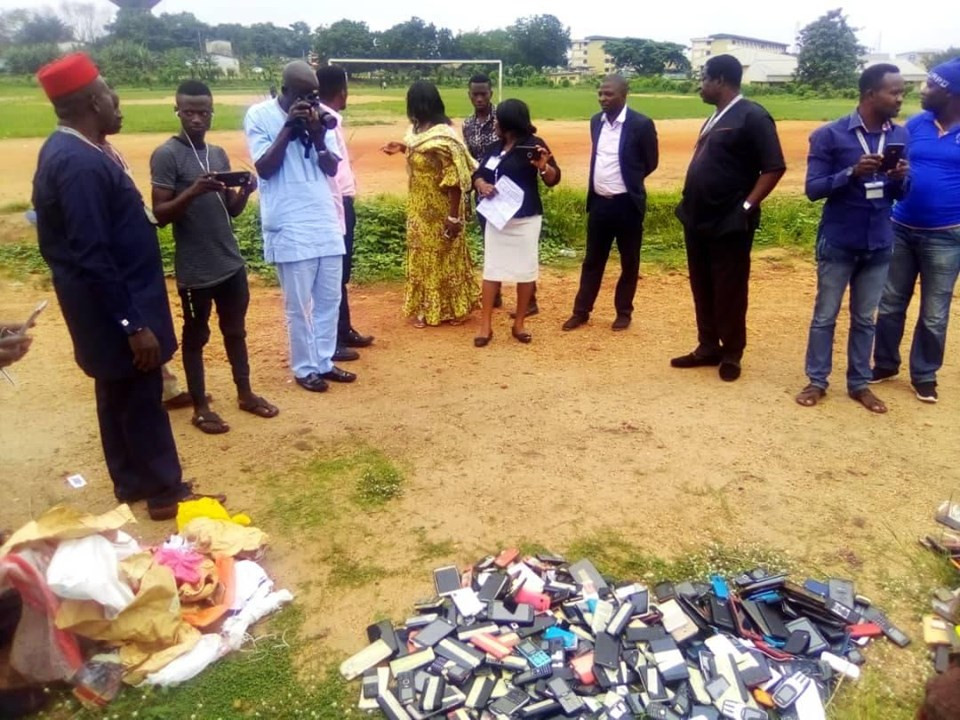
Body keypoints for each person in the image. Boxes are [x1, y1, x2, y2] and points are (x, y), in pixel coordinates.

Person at [32, 53, 221, 521]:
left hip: (108, 303)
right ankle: (163, 490)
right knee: (140, 394)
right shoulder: (77, 164)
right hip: (117, 306)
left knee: (116, 393)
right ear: (93, 102)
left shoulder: (83, 150)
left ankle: (131, 479)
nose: (119, 104)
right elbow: (91, 253)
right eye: (109, 94)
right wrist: (132, 322)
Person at [151, 80, 278, 433]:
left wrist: (245, 192)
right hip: (195, 269)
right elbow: (159, 214)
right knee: (196, 336)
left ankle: (245, 393)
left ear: (211, 113)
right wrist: (193, 191)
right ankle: (201, 406)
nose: (196, 119)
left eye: (202, 112)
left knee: (235, 331)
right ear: (177, 111)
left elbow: (230, 211)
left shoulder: (218, 154)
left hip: (230, 263)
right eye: (188, 112)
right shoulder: (167, 155)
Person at [796, 65, 910, 413]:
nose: (900, 98)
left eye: (902, 91)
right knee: (825, 316)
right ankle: (817, 380)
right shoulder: (829, 136)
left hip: (878, 242)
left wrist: (901, 178)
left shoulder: (900, 137)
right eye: (894, 92)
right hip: (839, 240)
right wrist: (851, 173)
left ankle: (859, 384)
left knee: (865, 319)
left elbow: (900, 195)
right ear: (870, 94)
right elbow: (813, 189)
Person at [672, 55, 786, 381]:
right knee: (702, 284)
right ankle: (708, 346)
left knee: (729, 288)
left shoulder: (752, 116)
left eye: (704, 78)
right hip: (697, 218)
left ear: (720, 80)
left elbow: (774, 167)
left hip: (730, 220)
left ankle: (732, 352)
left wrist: (746, 207)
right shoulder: (715, 117)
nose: (700, 84)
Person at [244, 60, 355, 393]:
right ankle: (304, 367)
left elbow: (332, 168)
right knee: (298, 305)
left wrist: (319, 137)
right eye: (305, 95)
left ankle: (323, 360)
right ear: (287, 91)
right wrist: (289, 129)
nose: (312, 101)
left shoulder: (322, 119)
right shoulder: (259, 116)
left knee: (329, 298)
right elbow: (264, 168)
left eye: (315, 94)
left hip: (324, 219)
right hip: (290, 223)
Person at [871, 58, 960, 404]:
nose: (922, 90)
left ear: (950, 92)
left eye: (931, 85)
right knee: (891, 302)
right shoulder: (916, 124)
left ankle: (924, 374)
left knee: (935, 311)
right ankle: (885, 363)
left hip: (948, 235)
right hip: (902, 228)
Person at [563, 75, 659, 333]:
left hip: (627, 205)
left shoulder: (641, 124)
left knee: (629, 261)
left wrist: (629, 181)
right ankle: (581, 312)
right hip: (599, 205)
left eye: (609, 94)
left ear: (624, 95)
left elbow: (651, 162)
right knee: (592, 261)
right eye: (600, 94)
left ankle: (623, 312)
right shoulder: (596, 122)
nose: (603, 99)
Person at [381, 81, 479, 327]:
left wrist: (453, 217)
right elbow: (423, 158)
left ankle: (454, 309)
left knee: (444, 255)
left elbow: (455, 179)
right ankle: (428, 307)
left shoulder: (444, 134)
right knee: (423, 256)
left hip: (441, 208)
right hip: (418, 206)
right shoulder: (416, 131)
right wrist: (403, 148)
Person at [472, 99, 561, 346]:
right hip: (497, 219)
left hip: (525, 220)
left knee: (525, 271)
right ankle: (485, 325)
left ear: (509, 121)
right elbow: (478, 173)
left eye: (499, 118)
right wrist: (481, 184)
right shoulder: (494, 147)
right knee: (492, 270)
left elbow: (554, 179)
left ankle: (519, 323)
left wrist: (544, 168)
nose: (495, 123)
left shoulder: (535, 145)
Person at [316, 65, 375, 362]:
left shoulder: (330, 119)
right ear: (343, 90)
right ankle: (332, 339)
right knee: (333, 273)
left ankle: (343, 329)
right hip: (333, 205)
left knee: (340, 271)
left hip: (341, 203)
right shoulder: (326, 121)